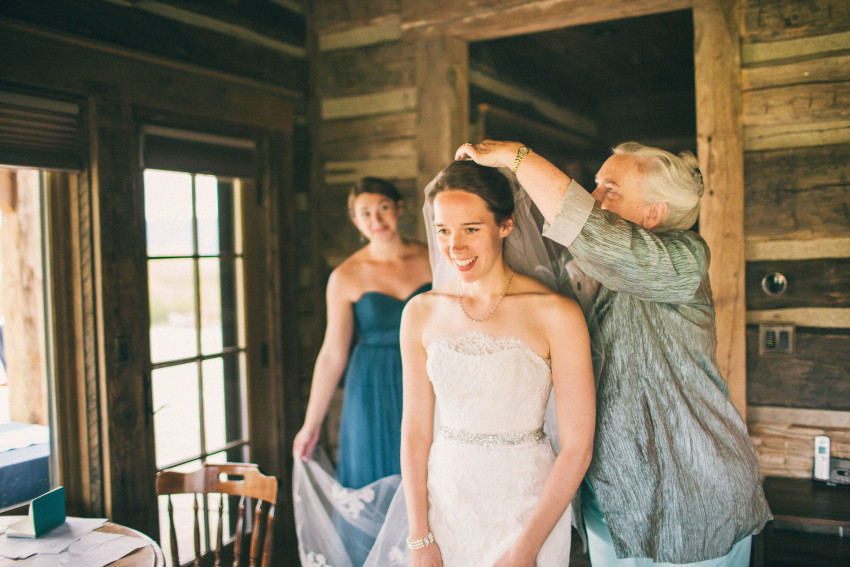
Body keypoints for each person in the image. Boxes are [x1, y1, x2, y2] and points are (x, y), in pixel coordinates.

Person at [456, 140, 772, 566]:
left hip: (693, 495)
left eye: (610, 189)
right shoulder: (577, 267)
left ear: (653, 214)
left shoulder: (685, 261)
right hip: (610, 495)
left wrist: (519, 157)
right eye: (596, 184)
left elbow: (598, 236)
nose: (593, 196)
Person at [397, 160, 596, 566]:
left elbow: (577, 447)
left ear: (505, 225)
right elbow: (415, 432)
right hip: (446, 504)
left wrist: (526, 550)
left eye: (471, 229)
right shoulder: (420, 312)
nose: (454, 246)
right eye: (443, 231)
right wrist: (420, 536)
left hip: (527, 507)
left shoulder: (556, 314)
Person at [293, 177, 431, 488]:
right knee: (377, 468)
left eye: (383, 208)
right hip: (372, 384)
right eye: (365, 213)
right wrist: (310, 424)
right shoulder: (345, 276)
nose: (376, 220)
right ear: (355, 220)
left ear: (399, 208)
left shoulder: (433, 259)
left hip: (428, 374)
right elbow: (331, 355)